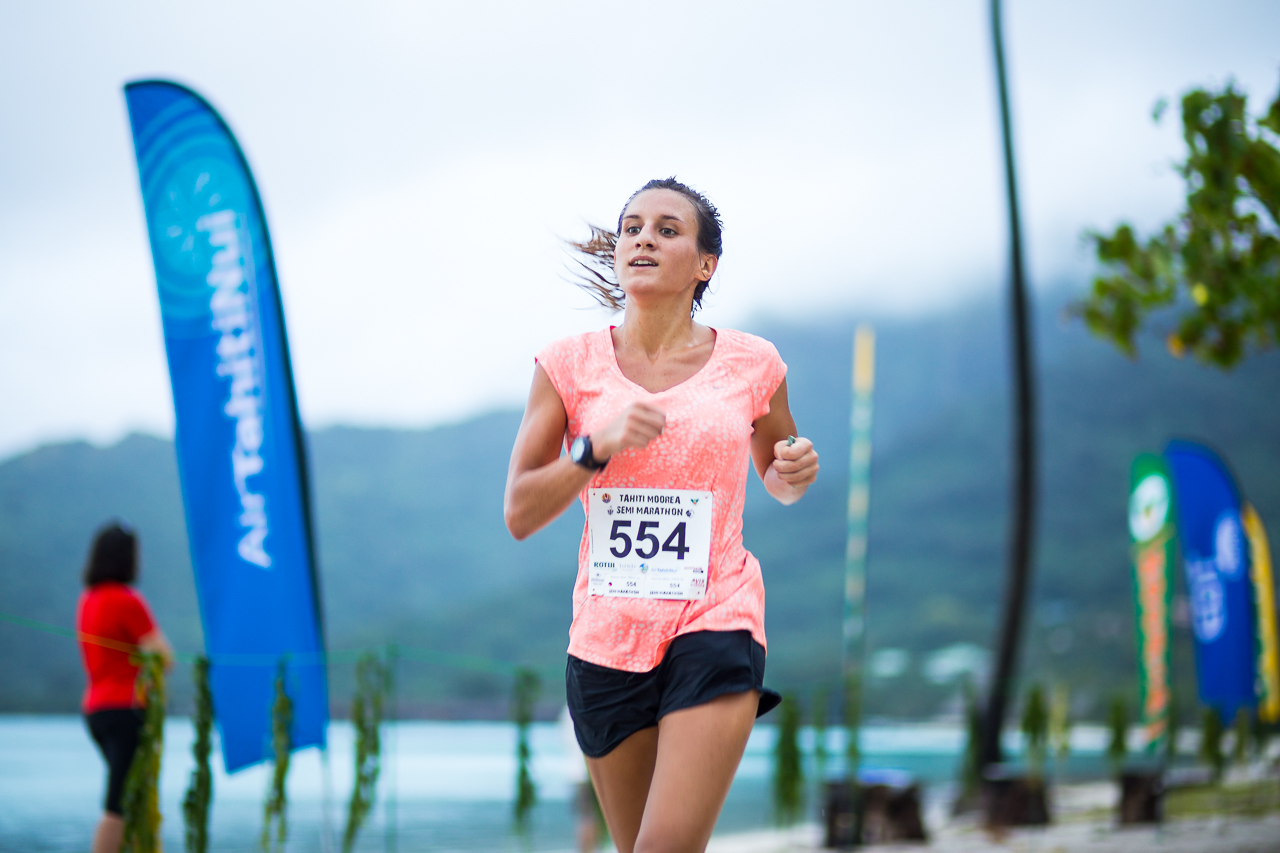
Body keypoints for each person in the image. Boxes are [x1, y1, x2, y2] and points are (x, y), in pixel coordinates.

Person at [504, 178, 819, 853]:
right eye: (632, 226)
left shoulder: (752, 362)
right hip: (607, 639)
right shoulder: (567, 366)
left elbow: (778, 476)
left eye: (668, 228)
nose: (643, 237)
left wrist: (792, 472)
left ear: (705, 264)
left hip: (716, 619)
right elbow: (520, 512)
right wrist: (596, 447)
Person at [76, 521, 173, 853]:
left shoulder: (87, 600)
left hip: (95, 711)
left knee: (134, 801)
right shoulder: (126, 601)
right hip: (126, 710)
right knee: (119, 805)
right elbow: (164, 657)